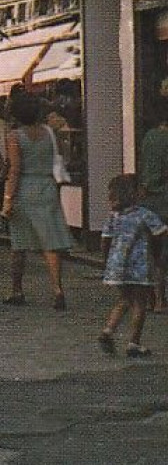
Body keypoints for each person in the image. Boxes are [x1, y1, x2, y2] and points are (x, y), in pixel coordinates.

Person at [2, 93, 73, 308]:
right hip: (47, 187)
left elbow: (15, 170)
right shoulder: (49, 132)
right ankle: (57, 289)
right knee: (50, 242)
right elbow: (60, 157)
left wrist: (7, 199)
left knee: (19, 243)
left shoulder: (15, 136)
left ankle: (17, 290)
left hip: (24, 189)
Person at [98, 174, 165, 358]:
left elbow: (105, 241)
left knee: (124, 299)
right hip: (139, 266)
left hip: (117, 265)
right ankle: (134, 342)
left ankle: (108, 330)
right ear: (135, 193)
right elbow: (160, 233)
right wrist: (157, 254)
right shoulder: (145, 215)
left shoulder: (114, 217)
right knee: (139, 304)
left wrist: (107, 261)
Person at [138, 105, 168, 312]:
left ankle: (150, 298)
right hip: (164, 197)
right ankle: (161, 300)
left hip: (148, 199)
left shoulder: (149, 137)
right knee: (164, 254)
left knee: (150, 250)